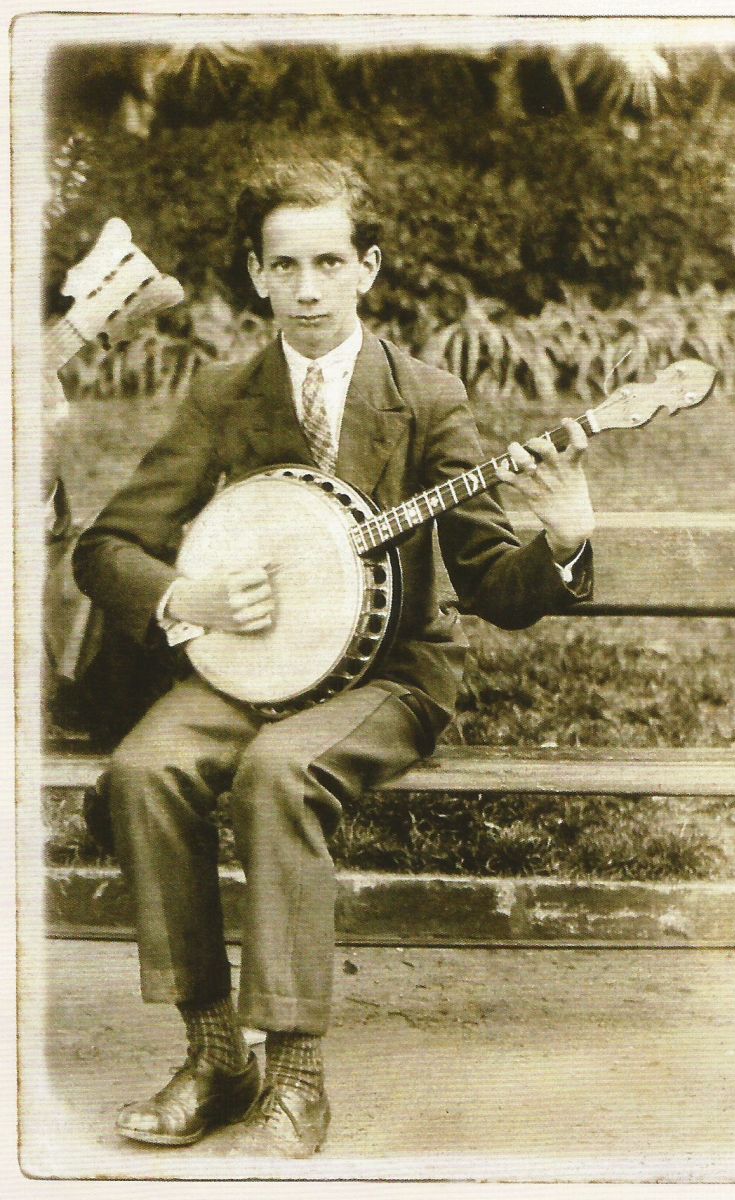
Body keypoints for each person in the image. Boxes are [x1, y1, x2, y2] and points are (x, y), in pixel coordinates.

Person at [72, 157, 596, 1158]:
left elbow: (487, 577)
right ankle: (215, 1055)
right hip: (248, 661)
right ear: (257, 276)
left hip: (388, 676)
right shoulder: (225, 390)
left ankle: (296, 1072)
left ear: (368, 267)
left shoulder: (426, 397)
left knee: (279, 773)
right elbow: (108, 547)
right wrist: (189, 596)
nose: (306, 288)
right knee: (145, 768)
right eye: (284, 266)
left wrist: (563, 543)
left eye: (327, 262)